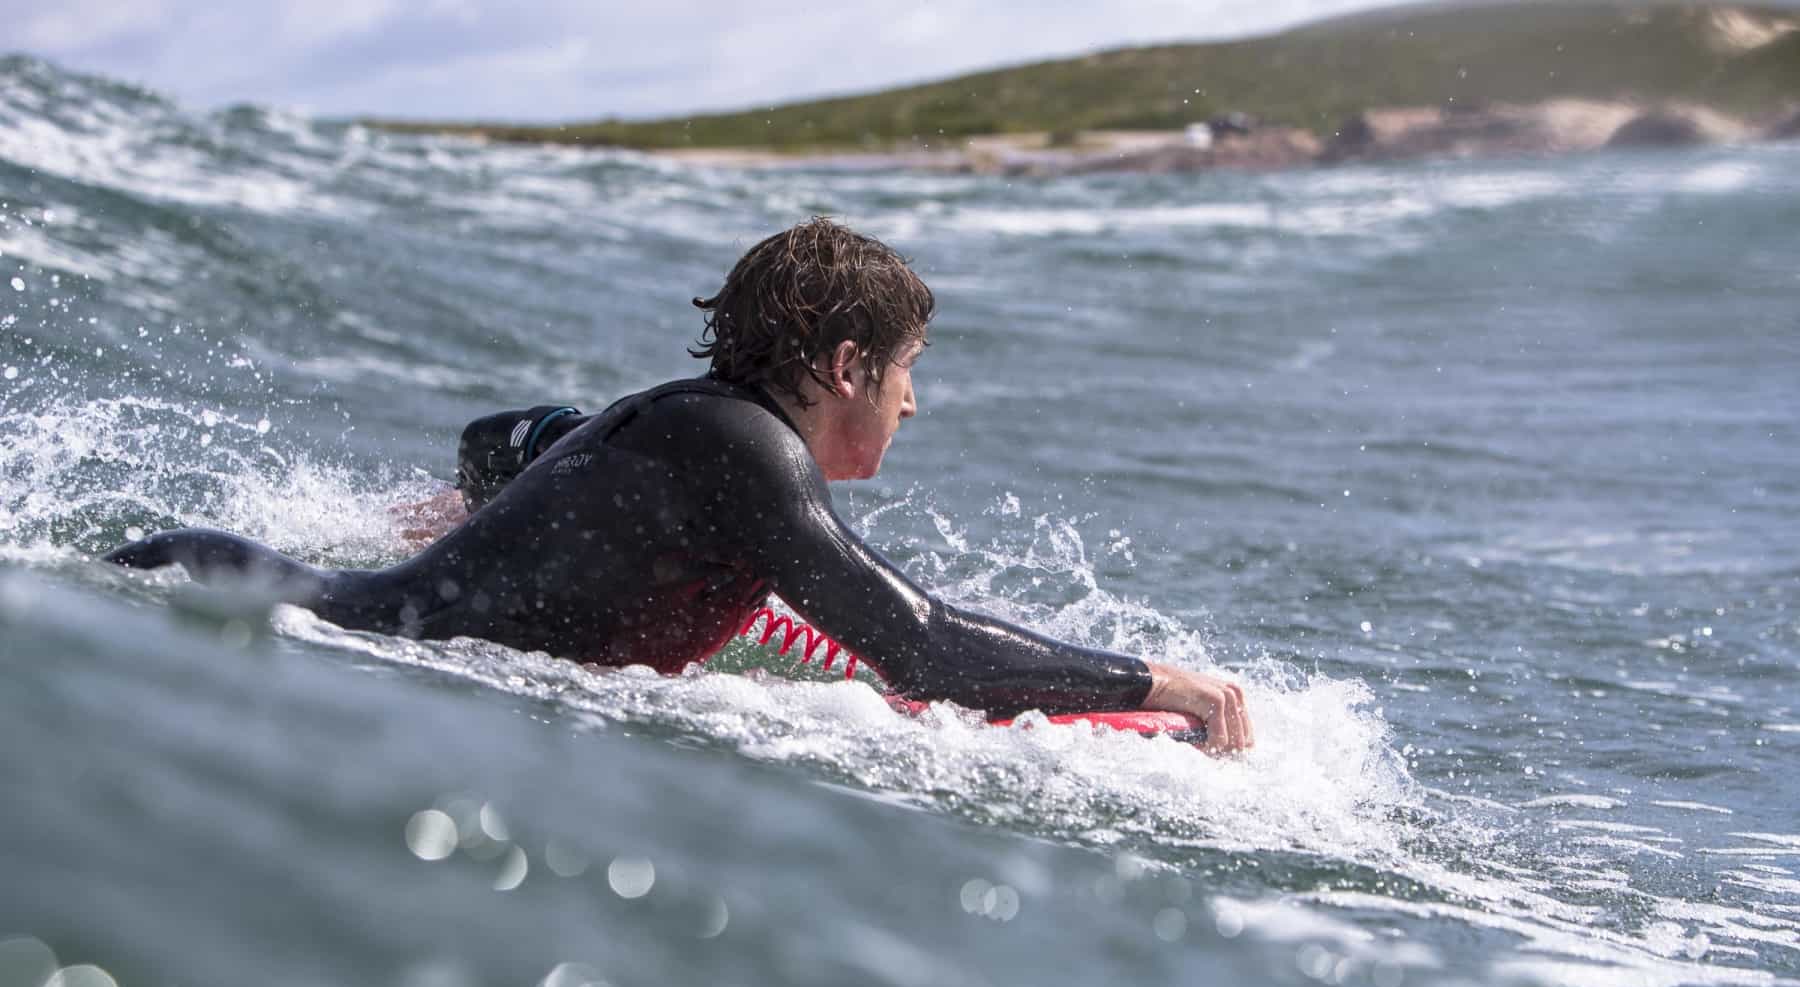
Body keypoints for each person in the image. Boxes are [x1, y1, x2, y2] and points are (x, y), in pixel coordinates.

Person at [106, 218, 1253, 752]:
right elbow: (920, 647)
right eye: (907, 375)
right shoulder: (743, 451)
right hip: (278, 615)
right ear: (849, 366)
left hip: (318, 616)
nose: (912, 406)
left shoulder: (681, 427)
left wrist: (477, 517)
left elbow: (498, 436)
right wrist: (1167, 684)